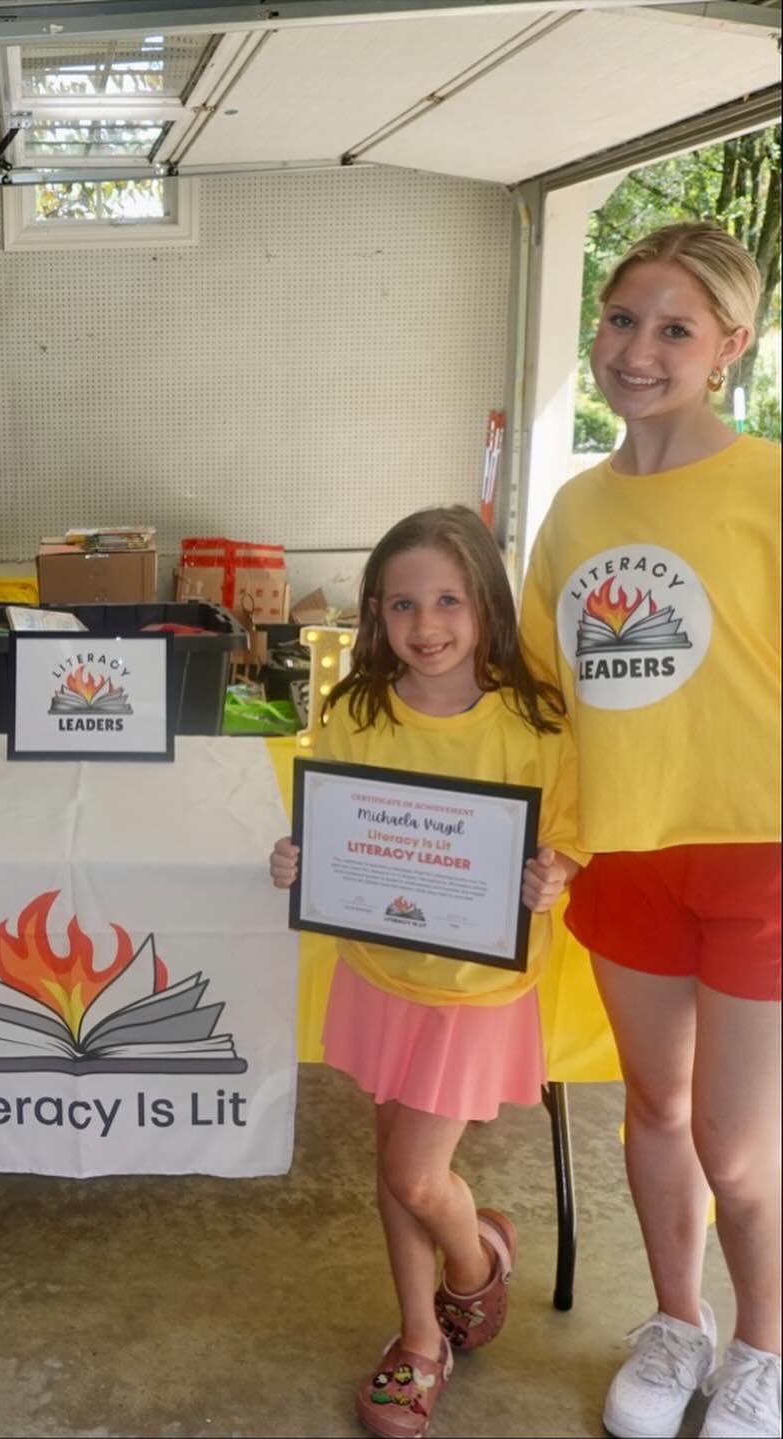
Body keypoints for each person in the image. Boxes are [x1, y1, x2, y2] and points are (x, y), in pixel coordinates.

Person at [519, 222, 780, 1439]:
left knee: (737, 1146)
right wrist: (545, 833)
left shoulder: (770, 485)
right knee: (656, 1111)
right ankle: (678, 1321)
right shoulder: (572, 509)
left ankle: (766, 1346)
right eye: (624, 318)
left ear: (729, 345)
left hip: (760, 857)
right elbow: (544, 695)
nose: (640, 348)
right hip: (625, 855)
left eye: (677, 327)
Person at [269, 506, 583, 1438]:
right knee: (394, 1161)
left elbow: (567, 835)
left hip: (475, 990)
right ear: (375, 614)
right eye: (401, 603)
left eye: (448, 599)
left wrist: (549, 873)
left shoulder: (534, 722)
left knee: (415, 1171)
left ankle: (475, 1261)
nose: (426, 624)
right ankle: (418, 1340)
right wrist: (298, 860)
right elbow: (329, 823)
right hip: (380, 974)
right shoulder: (355, 710)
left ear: (488, 601)